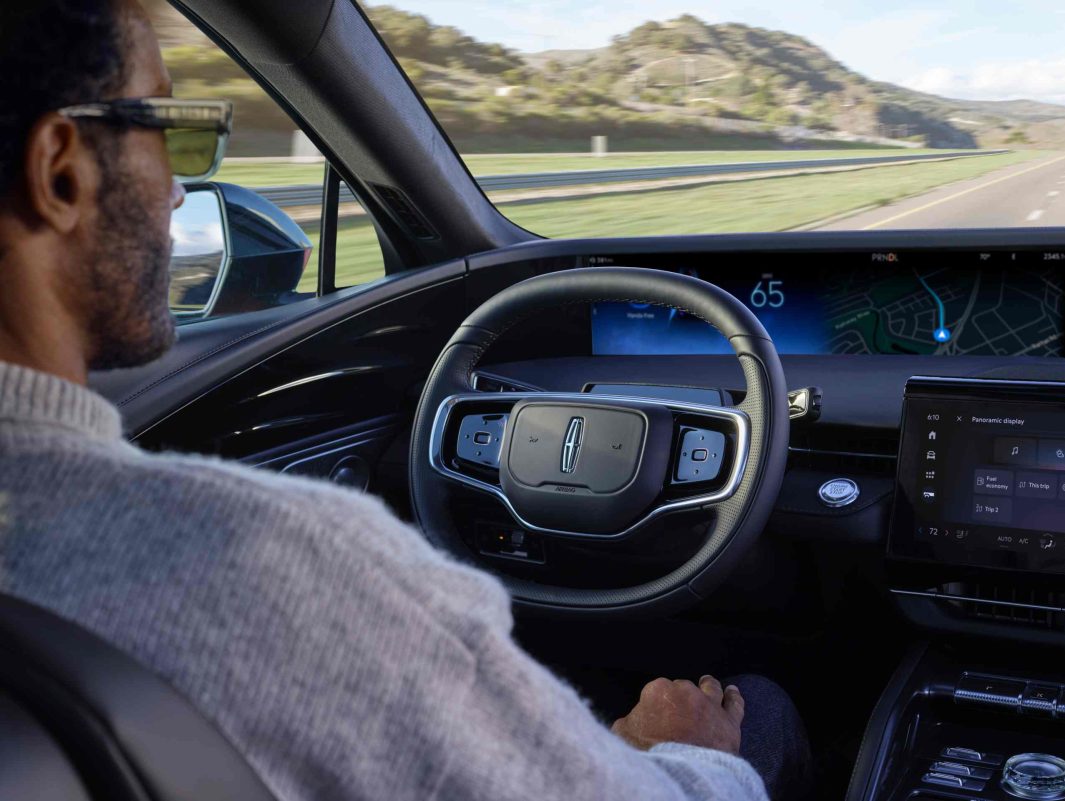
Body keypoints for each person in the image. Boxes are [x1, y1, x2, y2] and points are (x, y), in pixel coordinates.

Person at [0, 1, 811, 799]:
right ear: (61, 170)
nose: (179, 188)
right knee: (760, 710)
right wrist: (682, 754)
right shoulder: (284, 561)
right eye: (166, 130)